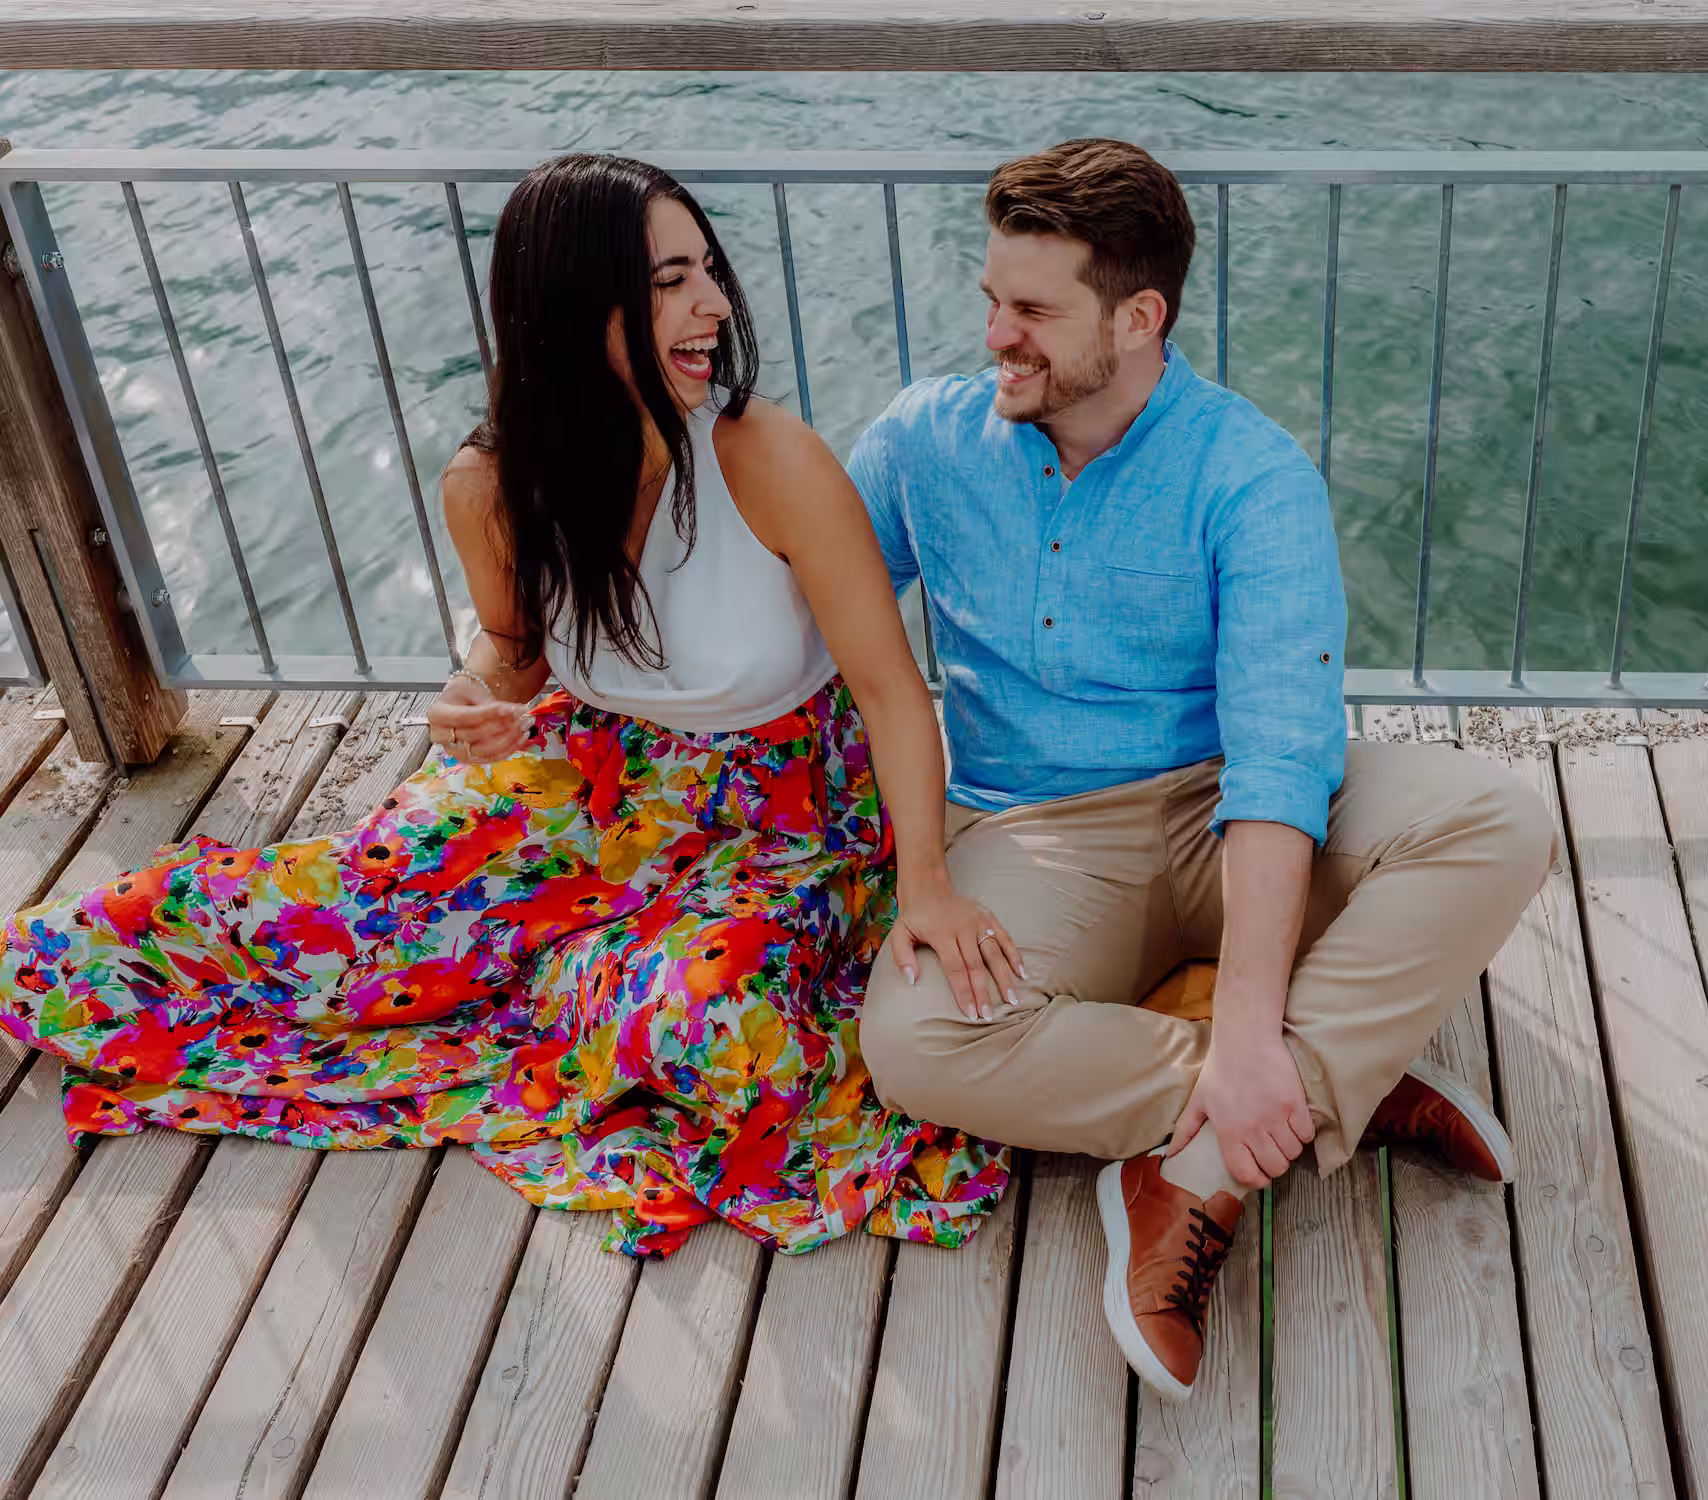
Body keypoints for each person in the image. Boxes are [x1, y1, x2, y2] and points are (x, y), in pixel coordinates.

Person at [0, 153, 1013, 1260]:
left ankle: (563, 970)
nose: (715, 304)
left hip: (780, 817)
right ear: (578, 307)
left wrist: (926, 887)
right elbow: (520, 657)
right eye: (673, 280)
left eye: (708, 271)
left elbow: (889, 691)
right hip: (589, 783)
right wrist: (479, 697)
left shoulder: (768, 458)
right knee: (306, 926)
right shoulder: (492, 486)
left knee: (718, 1026)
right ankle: (546, 964)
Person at [848, 138, 1555, 1401]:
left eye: (1033, 310)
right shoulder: (924, 444)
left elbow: (1285, 762)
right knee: (913, 1045)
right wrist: (508, 649)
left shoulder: (1250, 474)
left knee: (1494, 819)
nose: (997, 334)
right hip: (1037, 832)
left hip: (1226, 808)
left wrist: (1244, 1027)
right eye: (991, 300)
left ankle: (1196, 1171)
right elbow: (791, 612)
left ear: (1137, 317)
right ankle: (1334, 1088)